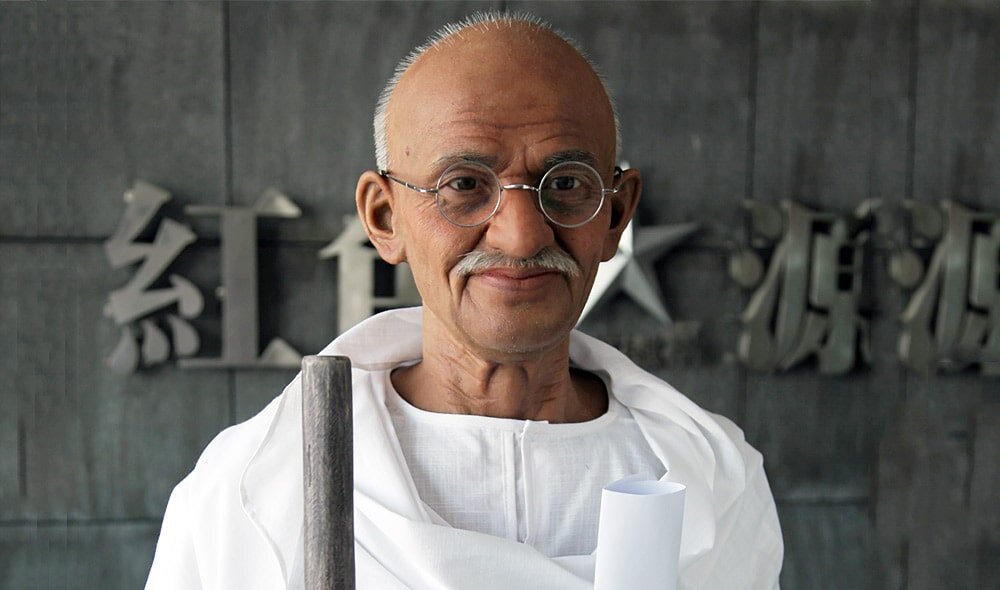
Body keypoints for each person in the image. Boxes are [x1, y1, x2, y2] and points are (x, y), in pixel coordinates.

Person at [146, 11, 783, 589]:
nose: (522, 235)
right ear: (385, 217)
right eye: (464, 185)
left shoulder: (715, 483)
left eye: (566, 184)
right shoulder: (254, 491)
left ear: (615, 214)